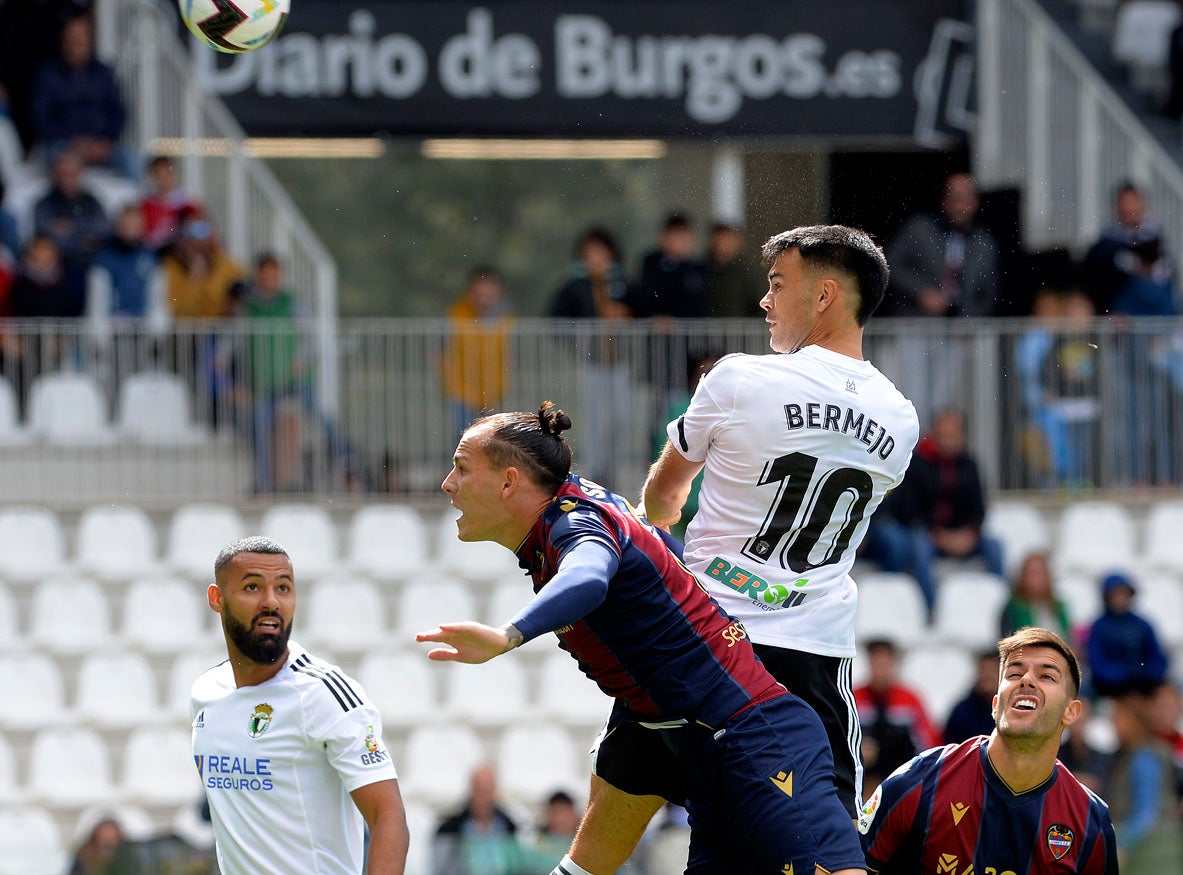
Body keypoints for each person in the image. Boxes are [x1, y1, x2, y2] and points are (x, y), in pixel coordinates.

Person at [417, 403, 866, 875]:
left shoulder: (574, 525)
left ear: (509, 482)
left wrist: (508, 636)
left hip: (758, 738)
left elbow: (589, 578)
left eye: (462, 469)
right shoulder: (571, 516)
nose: (448, 483)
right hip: (706, 756)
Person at [637, 224, 918, 822]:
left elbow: (665, 494)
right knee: (831, 835)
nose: (764, 300)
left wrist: (658, 533)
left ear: (822, 297)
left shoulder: (739, 378)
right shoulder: (900, 417)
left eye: (776, 284)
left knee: (626, 811)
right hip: (813, 654)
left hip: (705, 636)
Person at [191, 536, 408, 874]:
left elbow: (388, 817)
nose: (271, 602)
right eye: (252, 587)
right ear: (217, 599)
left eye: (284, 588)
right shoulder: (205, 693)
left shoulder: (324, 694)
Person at [858, 627, 1119, 873]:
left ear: (1070, 712)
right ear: (996, 704)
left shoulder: (1090, 821)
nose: (1027, 680)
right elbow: (846, 866)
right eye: (1014, 673)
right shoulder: (922, 780)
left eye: (1047, 675)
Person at [875, 409, 1005, 615]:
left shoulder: (969, 465)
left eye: (953, 435)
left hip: (962, 536)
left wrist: (969, 533)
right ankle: (931, 611)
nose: (948, 441)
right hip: (930, 534)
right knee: (919, 545)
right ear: (934, 434)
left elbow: (979, 509)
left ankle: (1002, 609)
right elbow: (908, 510)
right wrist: (939, 535)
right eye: (944, 435)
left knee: (995, 545)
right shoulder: (916, 464)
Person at [548, 228, 637, 486]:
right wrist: (578, 341)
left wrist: (625, 316)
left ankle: (614, 469)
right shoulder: (574, 286)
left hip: (620, 364)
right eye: (590, 253)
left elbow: (642, 311)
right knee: (595, 420)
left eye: (601, 252)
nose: (596, 258)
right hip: (591, 364)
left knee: (620, 418)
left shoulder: (622, 284)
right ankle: (596, 472)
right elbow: (557, 321)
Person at [31, 15, 136, 179]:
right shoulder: (49, 74)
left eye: (81, 39)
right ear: (63, 41)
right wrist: (73, 142)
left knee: (133, 162)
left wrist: (106, 140)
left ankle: (136, 205)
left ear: (90, 41)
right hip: (62, 144)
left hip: (101, 145)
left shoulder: (103, 73)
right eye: (71, 39)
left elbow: (119, 112)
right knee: (57, 159)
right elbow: (41, 118)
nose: (76, 44)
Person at [1105, 691, 1183, 872]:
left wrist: (1116, 843)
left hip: (1154, 855)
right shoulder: (1131, 754)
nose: (1113, 724)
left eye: (1118, 718)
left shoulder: (1144, 757)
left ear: (1133, 722)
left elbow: (1146, 813)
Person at [853, 638, 942, 795]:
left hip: (903, 779)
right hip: (861, 780)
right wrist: (856, 753)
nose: (881, 667)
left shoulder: (910, 700)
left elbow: (929, 745)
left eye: (885, 660)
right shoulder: (854, 698)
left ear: (894, 663)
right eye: (876, 660)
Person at [440, 266, 512, 442]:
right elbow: (440, 349)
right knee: (465, 440)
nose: (484, 299)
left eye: (489, 294)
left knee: (494, 442)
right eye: (479, 294)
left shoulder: (506, 318)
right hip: (461, 390)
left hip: (495, 391)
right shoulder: (457, 314)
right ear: (470, 292)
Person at [33, 148, 108, 314]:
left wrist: (68, 229)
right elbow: (45, 232)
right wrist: (83, 236)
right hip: (59, 265)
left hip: (89, 262)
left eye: (72, 173)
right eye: (63, 173)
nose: (67, 178)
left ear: (80, 173)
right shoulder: (45, 202)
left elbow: (102, 230)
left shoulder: (91, 201)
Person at [1083, 183, 1172, 316]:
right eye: (1124, 202)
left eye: (1132, 202)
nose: (1128, 208)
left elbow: (1161, 273)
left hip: (1154, 305)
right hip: (1122, 307)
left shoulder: (1154, 236)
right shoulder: (1107, 241)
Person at [1085, 571, 1170, 698]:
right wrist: (1123, 674)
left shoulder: (1142, 625)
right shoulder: (1099, 627)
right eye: (1115, 594)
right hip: (1111, 689)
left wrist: (1147, 673)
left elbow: (1158, 657)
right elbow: (1097, 663)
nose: (1120, 599)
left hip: (1145, 685)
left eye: (1123, 594)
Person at [433, 763, 523, 875]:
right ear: (471, 790)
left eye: (488, 789)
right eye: (479, 789)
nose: (483, 796)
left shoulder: (511, 827)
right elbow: (440, 869)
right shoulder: (449, 829)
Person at [998, 551, 1072, 641]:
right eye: (1029, 573)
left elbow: (1068, 639)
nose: (1032, 579)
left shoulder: (1059, 607)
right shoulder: (1013, 609)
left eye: (1038, 573)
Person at [140, 154, 201, 252]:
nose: (164, 180)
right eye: (159, 175)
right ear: (152, 177)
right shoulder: (146, 205)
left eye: (167, 174)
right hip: (154, 253)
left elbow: (199, 228)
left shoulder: (186, 202)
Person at [704, 223, 763, 318]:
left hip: (738, 328)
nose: (725, 243)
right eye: (722, 238)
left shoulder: (745, 272)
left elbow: (755, 304)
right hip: (707, 328)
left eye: (729, 239)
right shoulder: (702, 270)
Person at [944, 649, 1003, 744]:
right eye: (983, 671)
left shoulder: (1011, 710)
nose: (986, 675)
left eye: (992, 672)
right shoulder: (961, 711)